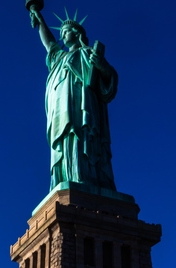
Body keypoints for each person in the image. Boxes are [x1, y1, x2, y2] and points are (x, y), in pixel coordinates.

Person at [30, 6, 119, 192]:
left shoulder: (87, 53)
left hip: (83, 109)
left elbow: (109, 79)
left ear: (76, 32)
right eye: (61, 32)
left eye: (66, 31)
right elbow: (49, 44)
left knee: (81, 137)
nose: (62, 35)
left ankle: (88, 179)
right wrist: (39, 19)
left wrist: (102, 66)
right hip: (61, 111)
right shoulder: (59, 58)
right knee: (66, 141)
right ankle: (68, 177)